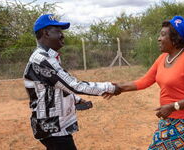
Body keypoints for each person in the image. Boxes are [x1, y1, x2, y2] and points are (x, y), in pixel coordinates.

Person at [23, 14, 120, 150]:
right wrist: (110, 87)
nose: (62, 35)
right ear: (46, 33)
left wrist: (76, 99)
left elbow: (56, 87)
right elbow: (74, 85)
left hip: (54, 126)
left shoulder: (49, 57)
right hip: (52, 128)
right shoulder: (42, 60)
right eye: (58, 31)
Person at [114, 16, 184, 149]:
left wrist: (173, 106)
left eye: (163, 35)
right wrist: (117, 87)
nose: (159, 38)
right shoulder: (162, 58)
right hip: (168, 119)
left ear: (175, 39)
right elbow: (144, 81)